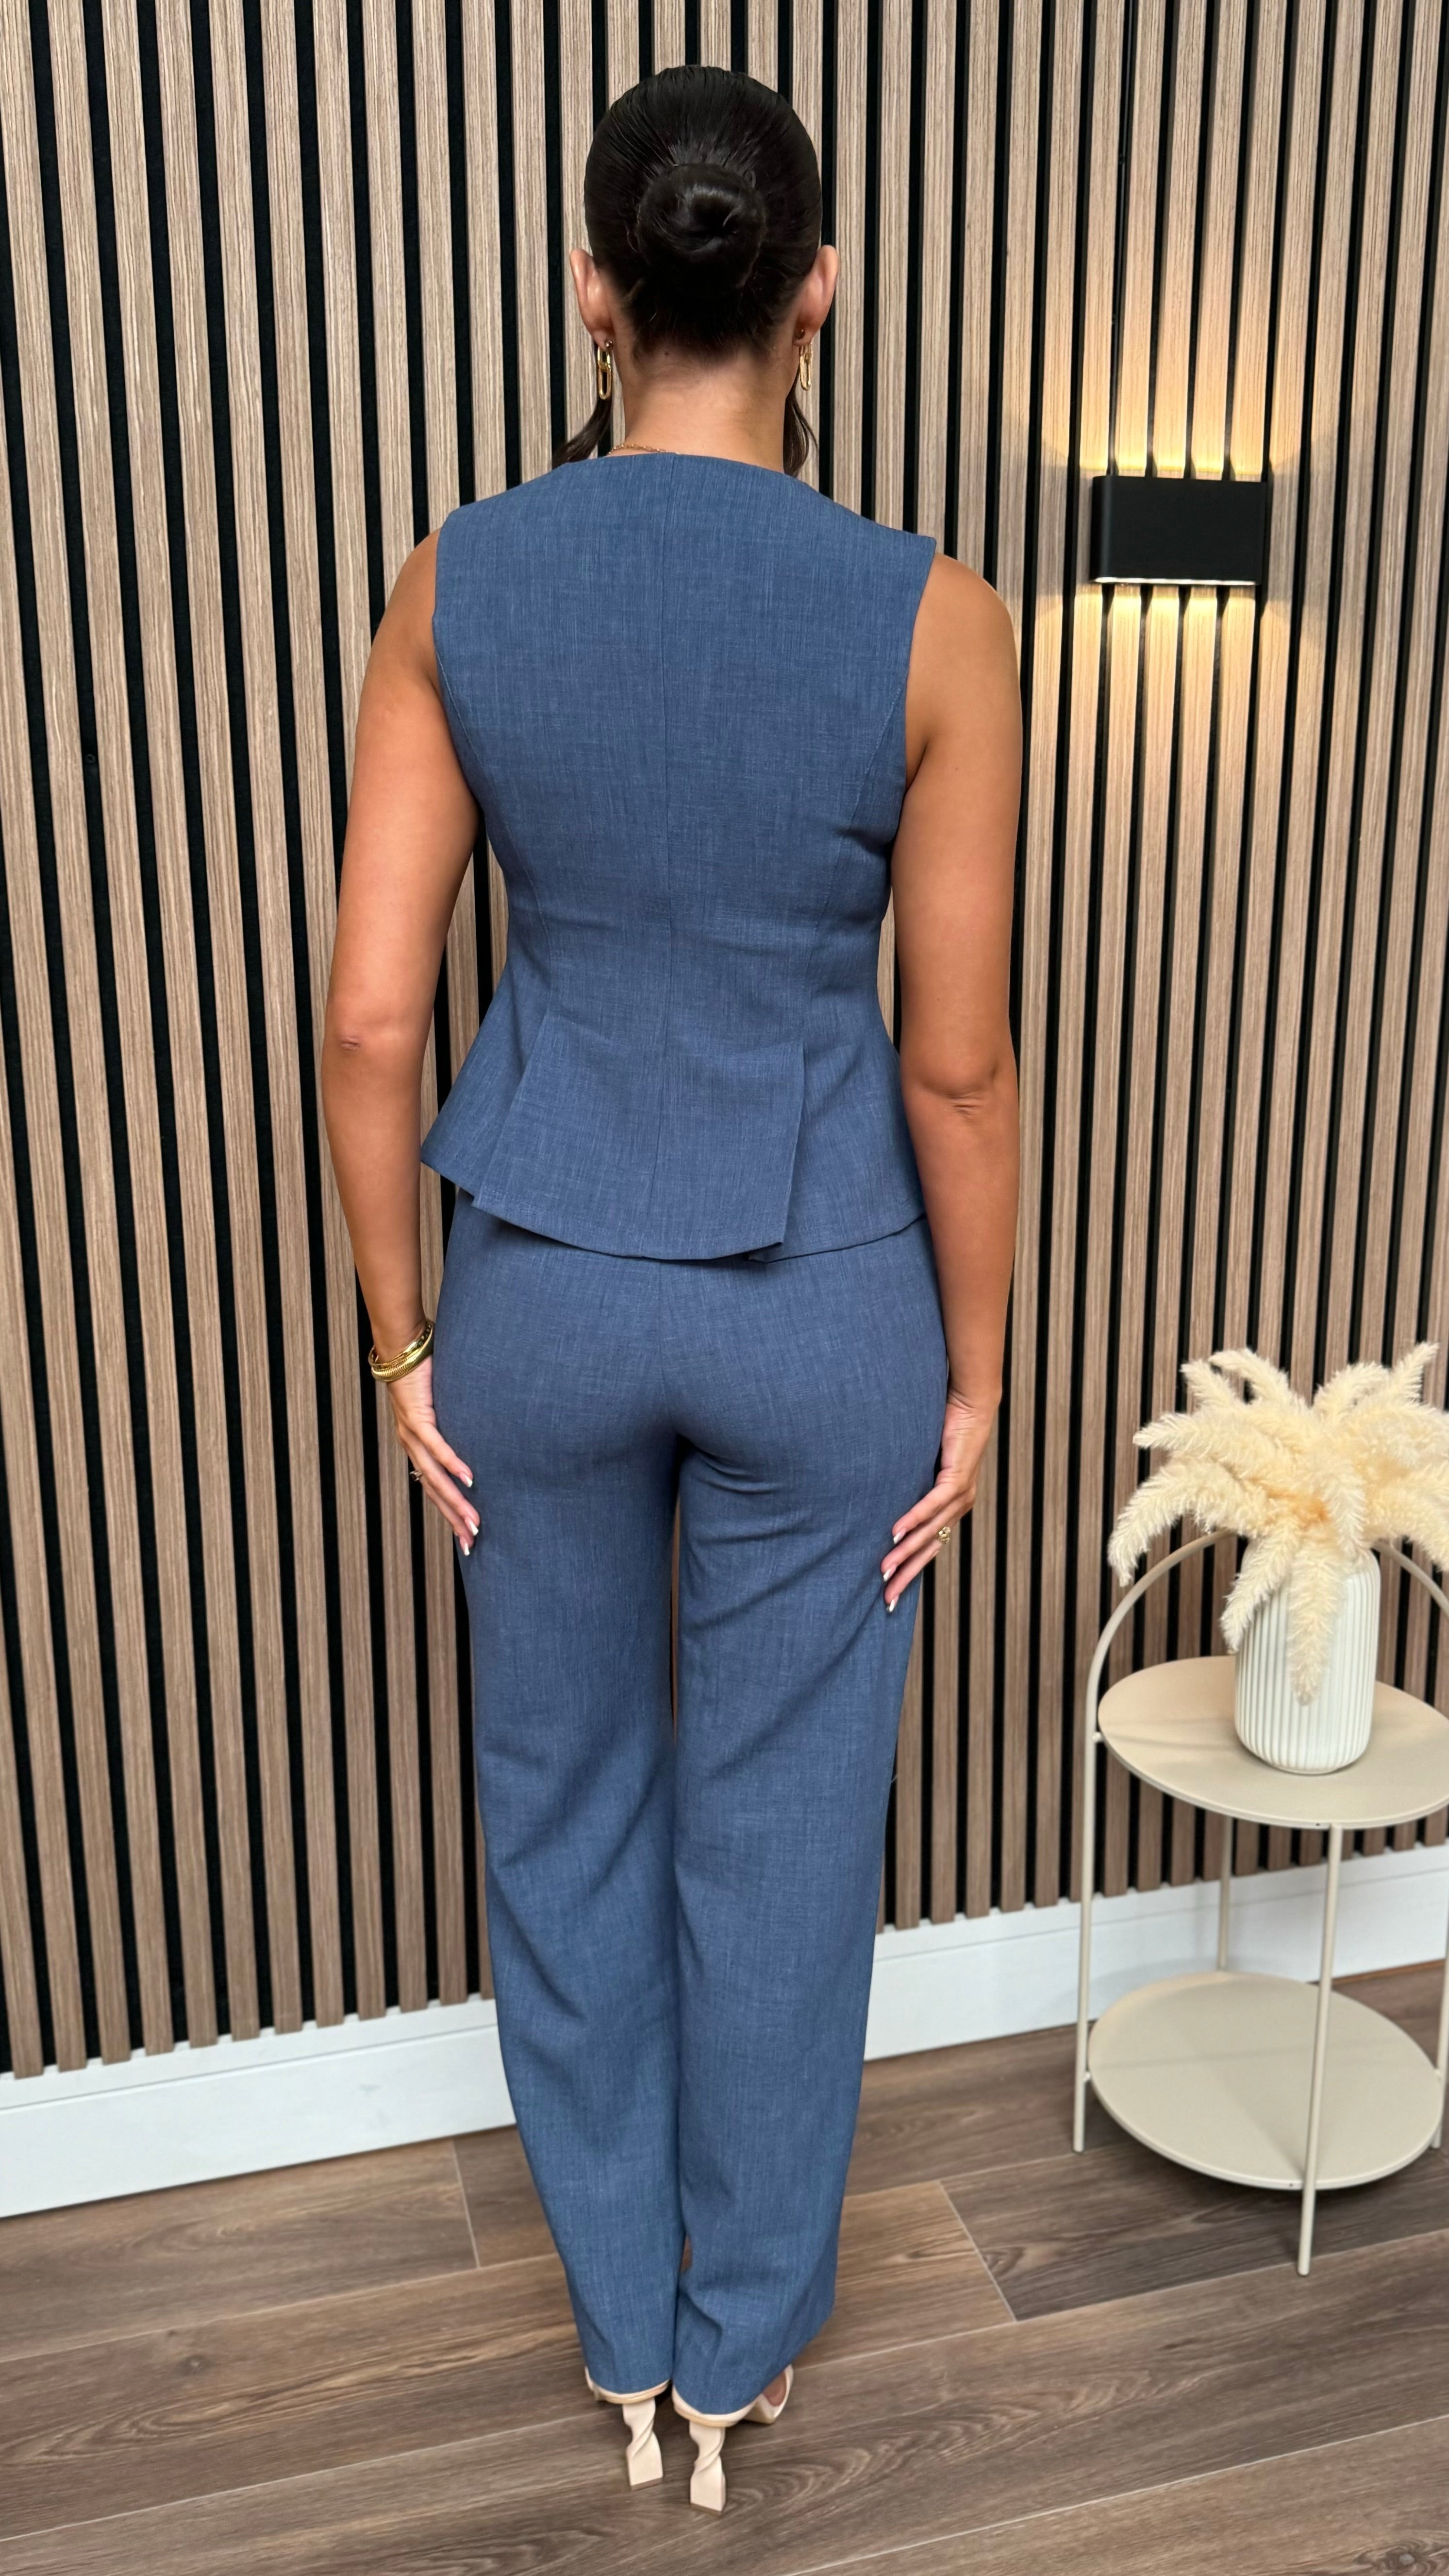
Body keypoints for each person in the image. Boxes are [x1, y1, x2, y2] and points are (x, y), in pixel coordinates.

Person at [322, 63, 1020, 2517]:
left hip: (540, 1290)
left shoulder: (461, 582)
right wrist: (977, 1372)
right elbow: (956, 1065)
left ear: (593, 292)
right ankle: (739, 2362)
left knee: (566, 1803)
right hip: (825, 1295)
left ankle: (621, 2337)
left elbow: (374, 1023)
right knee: (787, 1831)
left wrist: (404, 1341)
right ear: (815, 291)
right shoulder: (937, 616)